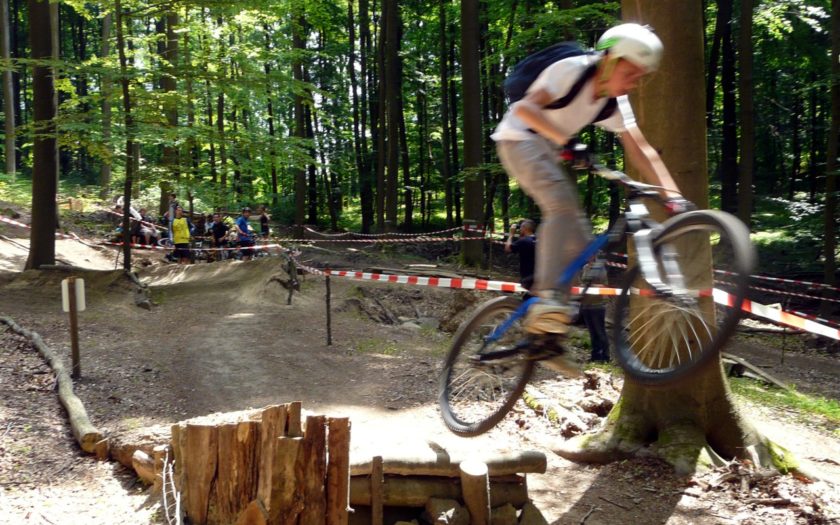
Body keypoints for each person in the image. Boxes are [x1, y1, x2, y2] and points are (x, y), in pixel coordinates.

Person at [491, 23, 681, 335]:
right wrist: (566, 142)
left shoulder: (615, 104)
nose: (634, 83)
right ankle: (548, 299)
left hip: (547, 150)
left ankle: (547, 336)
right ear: (609, 59)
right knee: (563, 209)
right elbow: (524, 108)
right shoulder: (572, 70)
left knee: (579, 241)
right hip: (518, 140)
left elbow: (641, 149)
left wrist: (673, 195)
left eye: (640, 77)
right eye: (630, 72)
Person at [580, 256, 610, 363]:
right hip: (586, 304)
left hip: (597, 304)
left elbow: (604, 285)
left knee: (600, 332)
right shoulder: (585, 267)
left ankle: (606, 356)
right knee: (592, 333)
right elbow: (582, 282)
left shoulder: (600, 268)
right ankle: (595, 355)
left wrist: (590, 286)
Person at [504, 219, 537, 292]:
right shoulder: (539, 240)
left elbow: (508, 248)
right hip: (540, 275)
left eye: (521, 228)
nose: (519, 230)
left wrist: (511, 234)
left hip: (528, 277)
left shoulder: (524, 241)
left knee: (527, 298)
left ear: (525, 228)